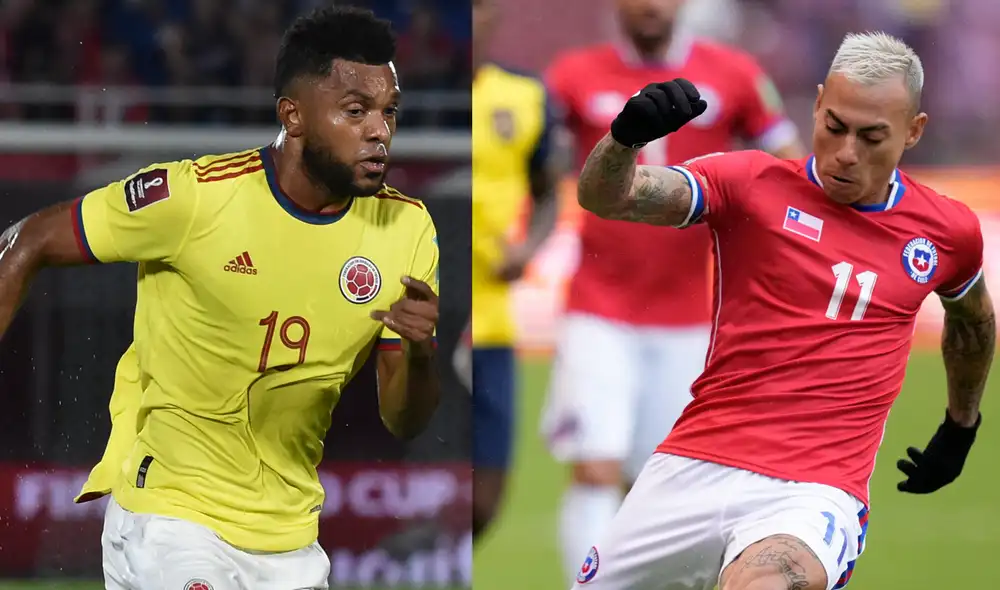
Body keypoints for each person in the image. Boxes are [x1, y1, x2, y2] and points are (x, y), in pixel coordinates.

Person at [0, 7, 441, 590]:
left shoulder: (407, 229)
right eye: (355, 111)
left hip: (290, 540)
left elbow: (402, 419)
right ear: (294, 116)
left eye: (389, 113)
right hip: (170, 522)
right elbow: (28, 240)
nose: (379, 131)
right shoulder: (195, 199)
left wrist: (421, 351)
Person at [570, 32, 994, 590]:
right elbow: (607, 197)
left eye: (872, 137)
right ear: (817, 104)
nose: (846, 152)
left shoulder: (947, 232)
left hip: (811, 492)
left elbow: (972, 322)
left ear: (914, 132)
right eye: (835, 126)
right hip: (692, 465)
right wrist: (624, 140)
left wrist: (961, 426)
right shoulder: (750, 184)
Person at [540, 0, 807, 577]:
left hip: (691, 318)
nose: (652, 6)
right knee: (594, 468)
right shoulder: (571, 75)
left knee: (656, 484)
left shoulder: (735, 75)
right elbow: (532, 165)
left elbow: (790, 169)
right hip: (597, 309)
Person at [467, 0, 561, 539]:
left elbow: (549, 193)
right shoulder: (395, 94)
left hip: (492, 325)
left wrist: (529, 251)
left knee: (484, 503)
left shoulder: (526, 95)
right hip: (408, 319)